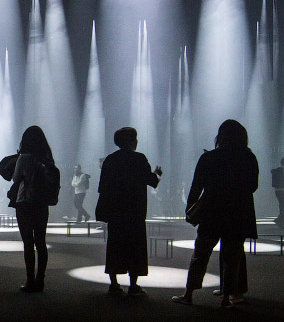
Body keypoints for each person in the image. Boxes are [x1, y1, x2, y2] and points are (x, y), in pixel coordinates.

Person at [173, 119, 258, 308]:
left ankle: (188, 294)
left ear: (220, 136)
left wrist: (190, 208)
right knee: (232, 257)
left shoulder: (209, 157)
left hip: (212, 212)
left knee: (201, 254)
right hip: (238, 213)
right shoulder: (248, 157)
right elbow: (253, 186)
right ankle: (227, 298)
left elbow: (196, 186)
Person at [94, 127, 162, 296]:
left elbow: (102, 187)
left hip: (116, 211)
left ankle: (114, 283)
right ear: (132, 141)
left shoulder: (110, 160)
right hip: (135, 210)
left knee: (115, 245)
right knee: (135, 246)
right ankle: (133, 285)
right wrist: (157, 173)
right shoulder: (139, 159)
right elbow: (152, 181)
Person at [9, 126, 55, 293]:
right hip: (41, 203)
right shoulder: (47, 158)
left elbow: (15, 178)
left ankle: (30, 281)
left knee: (28, 243)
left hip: (24, 203)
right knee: (41, 242)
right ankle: (40, 280)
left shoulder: (24, 157)